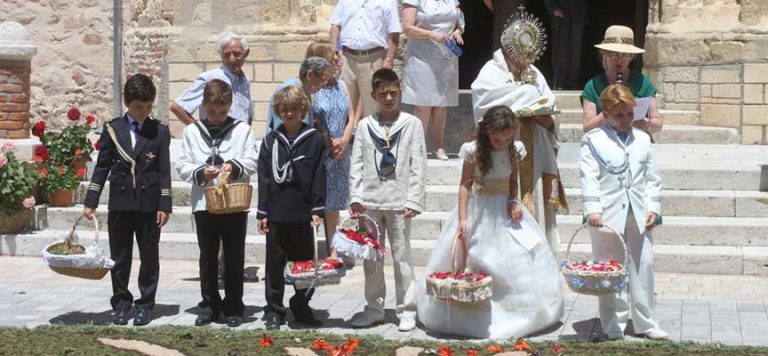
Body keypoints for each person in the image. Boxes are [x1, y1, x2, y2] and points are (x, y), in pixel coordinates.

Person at [417, 106, 564, 339]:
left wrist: (514, 200)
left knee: (518, 257)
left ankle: (521, 311)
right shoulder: (474, 151)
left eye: (507, 138)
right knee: (477, 256)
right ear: (486, 132)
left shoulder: (514, 150)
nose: (502, 143)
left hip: (505, 207)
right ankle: (470, 311)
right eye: (498, 139)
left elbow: (513, 180)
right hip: (480, 207)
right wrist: (463, 219)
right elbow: (465, 185)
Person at [472, 9, 568, 253]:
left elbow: (549, 105)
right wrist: (522, 99)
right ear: (507, 49)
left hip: (535, 157)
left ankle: (539, 259)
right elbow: (484, 107)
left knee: (535, 211)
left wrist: (547, 122)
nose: (525, 61)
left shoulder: (534, 74)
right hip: (502, 157)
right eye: (518, 54)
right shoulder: (490, 73)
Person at [580, 84, 668, 340]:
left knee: (644, 266)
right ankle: (613, 324)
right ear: (605, 115)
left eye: (629, 114)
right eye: (619, 115)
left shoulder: (642, 138)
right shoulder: (593, 140)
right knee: (611, 268)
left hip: (638, 211)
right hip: (606, 214)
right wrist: (593, 209)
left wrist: (654, 207)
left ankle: (647, 322)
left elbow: (652, 178)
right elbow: (589, 177)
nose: (626, 120)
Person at [83, 73, 172, 326]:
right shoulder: (113, 129)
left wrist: (164, 204)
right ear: (127, 103)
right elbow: (102, 167)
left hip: (149, 203)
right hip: (121, 202)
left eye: (147, 107)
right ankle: (121, 302)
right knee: (120, 256)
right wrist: (91, 201)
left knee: (149, 256)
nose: (143, 112)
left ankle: (146, 304)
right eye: (138, 107)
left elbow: (164, 171)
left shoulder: (160, 131)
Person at [347, 68, 426, 332]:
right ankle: (374, 309)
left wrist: (414, 199)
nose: (389, 98)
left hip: (399, 201)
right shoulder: (364, 126)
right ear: (373, 95)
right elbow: (356, 164)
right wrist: (356, 197)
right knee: (372, 259)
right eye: (383, 94)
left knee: (402, 257)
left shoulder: (412, 124)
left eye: (393, 93)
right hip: (370, 201)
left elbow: (418, 164)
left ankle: (407, 309)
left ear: (400, 92)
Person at [176, 79, 259, 328]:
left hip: (234, 202)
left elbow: (253, 160)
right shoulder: (192, 131)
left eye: (222, 112)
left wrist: (233, 166)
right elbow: (183, 165)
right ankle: (209, 304)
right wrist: (202, 172)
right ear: (204, 106)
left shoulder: (242, 130)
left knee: (234, 256)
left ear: (230, 106)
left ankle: (234, 306)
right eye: (212, 112)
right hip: (205, 203)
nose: (217, 117)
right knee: (208, 256)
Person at [257, 86, 327, 330]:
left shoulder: (315, 139)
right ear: (277, 112)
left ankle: (301, 304)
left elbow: (319, 175)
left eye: (294, 109)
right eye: (284, 110)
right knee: (274, 263)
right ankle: (274, 309)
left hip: (303, 213)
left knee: (304, 265)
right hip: (277, 213)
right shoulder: (270, 141)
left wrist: (318, 210)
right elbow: (264, 177)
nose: (289, 114)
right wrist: (262, 212)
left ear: (303, 110)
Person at [304, 40, 356, 260]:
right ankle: (310, 248)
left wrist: (344, 139)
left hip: (340, 152)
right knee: (319, 199)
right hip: (320, 151)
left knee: (334, 203)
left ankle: (333, 251)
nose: (337, 59)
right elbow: (312, 118)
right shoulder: (313, 89)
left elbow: (351, 115)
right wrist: (327, 139)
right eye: (332, 55)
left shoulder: (342, 85)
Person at [401, 0, 464, 160]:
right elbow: (408, 28)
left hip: (445, 55)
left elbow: (460, 22)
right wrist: (432, 34)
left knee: (441, 104)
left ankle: (439, 147)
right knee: (423, 103)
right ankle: (417, 147)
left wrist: (458, 32)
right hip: (422, 55)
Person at [581, 25, 663, 134]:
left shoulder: (644, 83)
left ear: (631, 57)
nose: (619, 61)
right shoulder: (592, 86)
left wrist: (646, 124)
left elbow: (658, 125)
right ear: (604, 55)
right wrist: (608, 112)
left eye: (625, 55)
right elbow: (587, 129)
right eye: (614, 54)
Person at [329, 0, 401, 121]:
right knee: (343, 105)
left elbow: (394, 32)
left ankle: (371, 138)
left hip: (373, 58)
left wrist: (388, 60)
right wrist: (332, 49)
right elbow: (335, 24)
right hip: (346, 58)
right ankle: (346, 139)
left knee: (372, 107)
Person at [171, 31, 253, 125]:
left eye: (237, 54)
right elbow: (177, 107)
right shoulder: (209, 79)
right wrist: (200, 131)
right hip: (217, 138)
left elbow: (247, 113)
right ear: (220, 54)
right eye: (226, 54)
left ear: (246, 53)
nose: (232, 59)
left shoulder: (245, 81)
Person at [264, 57, 332, 135]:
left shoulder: (305, 91)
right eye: (323, 80)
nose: (323, 84)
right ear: (310, 74)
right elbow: (282, 130)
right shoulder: (289, 91)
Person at [545, 0, 588, 90]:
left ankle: (573, 82)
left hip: (578, 14)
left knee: (576, 51)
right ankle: (560, 82)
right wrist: (552, 7)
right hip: (561, 13)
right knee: (561, 51)